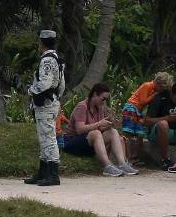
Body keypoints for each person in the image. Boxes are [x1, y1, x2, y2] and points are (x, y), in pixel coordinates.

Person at [61, 83, 136, 177]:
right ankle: (107, 166)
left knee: (113, 132)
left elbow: (100, 128)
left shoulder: (99, 108)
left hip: (89, 142)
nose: (104, 102)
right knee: (96, 133)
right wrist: (99, 123)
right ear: (95, 94)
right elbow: (80, 129)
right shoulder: (82, 106)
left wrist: (109, 124)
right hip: (72, 141)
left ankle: (122, 164)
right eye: (103, 99)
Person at [25, 30, 67, 186]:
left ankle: (53, 174)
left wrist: (30, 90)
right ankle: (43, 172)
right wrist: (57, 97)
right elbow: (62, 84)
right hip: (51, 101)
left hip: (46, 103)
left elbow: (45, 83)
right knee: (44, 138)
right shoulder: (57, 58)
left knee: (48, 138)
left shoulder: (47, 60)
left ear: (41, 43)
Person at [121, 72, 172, 164]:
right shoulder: (147, 85)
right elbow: (143, 101)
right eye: (161, 88)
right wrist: (154, 95)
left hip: (138, 111)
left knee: (140, 134)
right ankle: (125, 158)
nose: (160, 91)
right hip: (131, 108)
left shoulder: (154, 89)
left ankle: (135, 157)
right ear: (157, 83)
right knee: (128, 133)